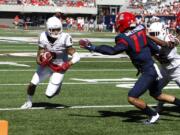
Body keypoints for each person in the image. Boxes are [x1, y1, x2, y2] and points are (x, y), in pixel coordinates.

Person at [79, 12, 180, 124]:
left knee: (132, 97)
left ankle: (153, 114)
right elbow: (155, 49)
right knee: (157, 94)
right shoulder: (141, 31)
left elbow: (113, 50)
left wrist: (92, 47)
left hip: (150, 71)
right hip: (155, 68)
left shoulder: (124, 37)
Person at [21, 16, 80, 109]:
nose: (56, 32)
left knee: (49, 95)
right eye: (53, 30)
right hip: (47, 65)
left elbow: (76, 56)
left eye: (58, 29)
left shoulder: (65, 37)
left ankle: (58, 85)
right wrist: (39, 59)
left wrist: (68, 64)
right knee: (32, 84)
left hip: (60, 67)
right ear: (48, 29)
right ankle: (28, 102)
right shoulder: (43, 36)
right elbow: (40, 50)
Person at [148, 22, 180, 112]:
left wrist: (148, 37)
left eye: (155, 34)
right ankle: (160, 106)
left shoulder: (168, 37)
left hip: (177, 69)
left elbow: (166, 44)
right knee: (155, 90)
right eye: (151, 34)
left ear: (162, 31)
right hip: (164, 70)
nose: (153, 36)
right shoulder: (152, 42)